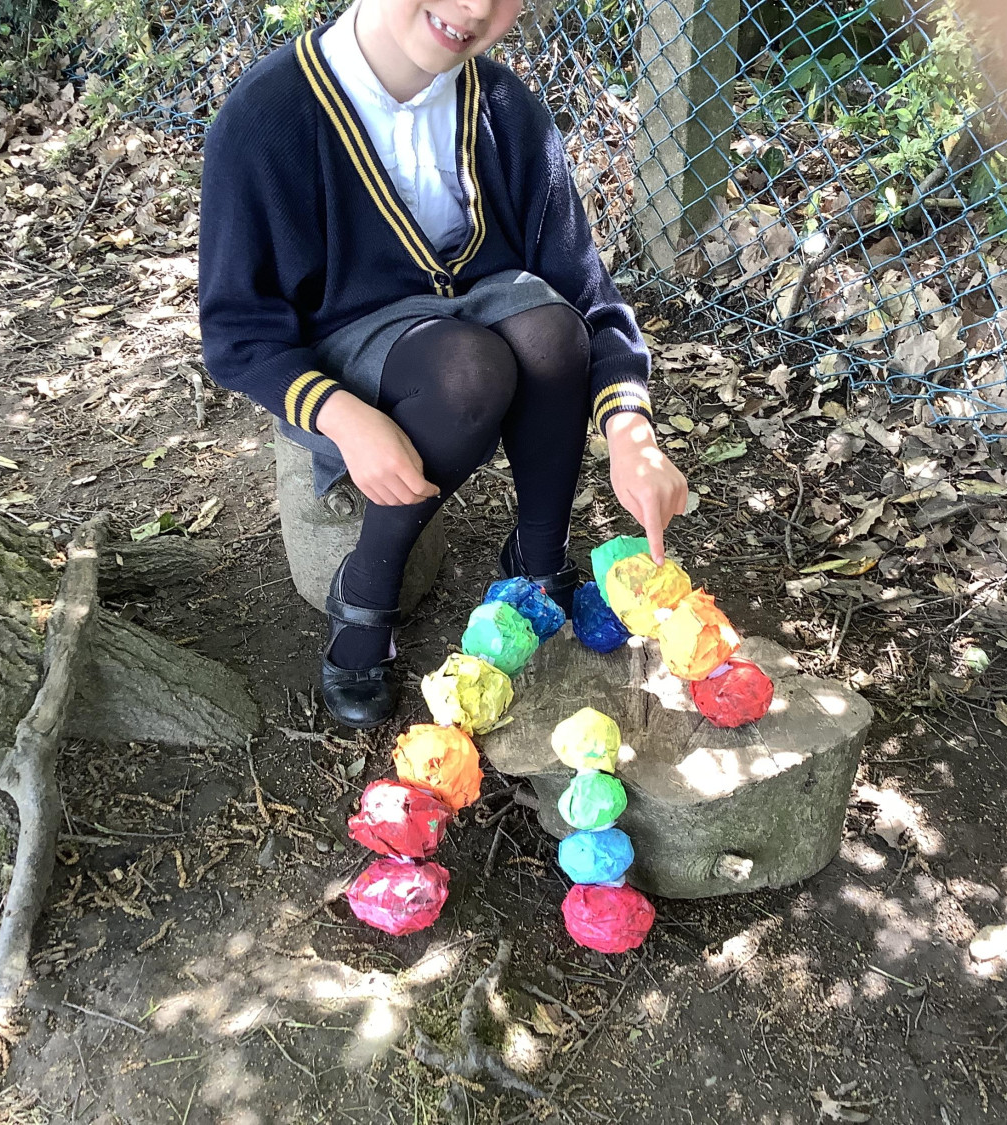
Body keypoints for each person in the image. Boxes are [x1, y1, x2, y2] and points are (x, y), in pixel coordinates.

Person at [198, 0, 689, 729]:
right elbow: (236, 332)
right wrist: (345, 418)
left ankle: (538, 557)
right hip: (350, 341)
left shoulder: (504, 107)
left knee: (553, 333)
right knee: (470, 370)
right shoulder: (268, 117)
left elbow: (587, 293)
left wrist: (631, 431)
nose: (476, 8)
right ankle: (365, 590)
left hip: (478, 306)